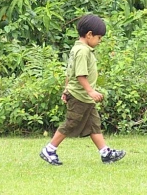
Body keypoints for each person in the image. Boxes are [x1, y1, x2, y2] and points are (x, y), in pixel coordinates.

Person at [39, 14, 126, 165]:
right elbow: (79, 75)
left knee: (93, 124)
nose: (100, 41)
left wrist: (66, 89)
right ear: (89, 34)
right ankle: (50, 149)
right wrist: (91, 91)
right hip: (80, 95)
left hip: (83, 96)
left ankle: (105, 153)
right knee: (71, 122)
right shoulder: (83, 51)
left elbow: (69, 73)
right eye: (99, 37)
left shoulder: (77, 49)